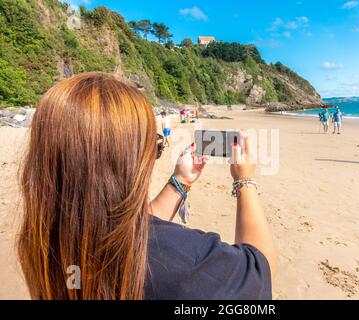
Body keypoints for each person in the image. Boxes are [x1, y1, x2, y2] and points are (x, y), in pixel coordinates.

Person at [17, 72, 276, 300]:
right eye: (154, 147)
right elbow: (259, 272)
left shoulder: (41, 241)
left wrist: (181, 181)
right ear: (126, 161)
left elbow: (132, 231)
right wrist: (245, 181)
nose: (155, 153)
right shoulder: (187, 262)